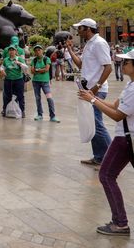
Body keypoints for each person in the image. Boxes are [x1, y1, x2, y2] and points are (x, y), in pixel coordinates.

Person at [78, 49, 134, 236]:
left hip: (126, 138)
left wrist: (93, 100)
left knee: (106, 175)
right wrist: (91, 98)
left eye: (127, 62)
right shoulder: (130, 85)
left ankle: (120, 223)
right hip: (125, 137)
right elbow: (115, 105)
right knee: (107, 175)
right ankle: (120, 222)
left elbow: (118, 115)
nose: (123, 64)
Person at [67, 18, 112, 166]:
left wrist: (95, 88)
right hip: (89, 90)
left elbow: (108, 67)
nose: (77, 31)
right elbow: (81, 64)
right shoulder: (89, 44)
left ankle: (112, 158)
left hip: (96, 91)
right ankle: (99, 156)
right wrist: (70, 50)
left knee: (96, 124)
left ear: (87, 28)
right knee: (92, 123)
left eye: (80, 28)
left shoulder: (99, 43)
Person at [30, 44, 59, 123]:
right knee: (37, 98)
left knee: (49, 98)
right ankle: (40, 114)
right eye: (36, 50)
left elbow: (46, 69)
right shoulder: (34, 60)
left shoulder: (46, 59)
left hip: (45, 82)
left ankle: (52, 116)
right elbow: (32, 71)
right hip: (36, 82)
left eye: (39, 50)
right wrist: (40, 70)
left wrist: (37, 70)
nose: (38, 52)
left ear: (42, 51)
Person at [0, 45, 28, 119]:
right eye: (10, 50)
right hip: (8, 80)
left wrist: (19, 63)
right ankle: (6, 110)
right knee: (7, 95)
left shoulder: (19, 59)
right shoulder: (6, 59)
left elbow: (26, 67)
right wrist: (2, 71)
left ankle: (22, 111)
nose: (11, 51)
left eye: (13, 50)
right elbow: (2, 66)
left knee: (20, 96)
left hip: (18, 80)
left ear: (16, 51)